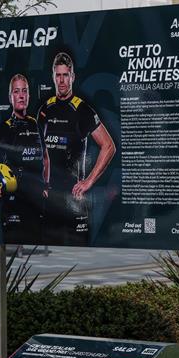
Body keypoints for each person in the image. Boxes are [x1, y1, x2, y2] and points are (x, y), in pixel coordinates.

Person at [39, 52, 115, 246]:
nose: (62, 80)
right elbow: (40, 152)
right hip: (49, 202)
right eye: (58, 75)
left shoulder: (82, 110)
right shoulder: (45, 109)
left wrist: (89, 181)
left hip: (74, 202)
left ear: (72, 76)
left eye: (66, 75)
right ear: (53, 77)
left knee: (76, 256)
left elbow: (108, 146)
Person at [0, 74, 48, 244]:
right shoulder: (4, 128)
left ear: (28, 96)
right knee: (16, 248)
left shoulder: (35, 124)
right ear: (10, 97)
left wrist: (45, 186)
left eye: (24, 91)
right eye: (16, 91)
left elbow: (45, 158)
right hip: (15, 203)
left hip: (36, 202)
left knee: (36, 244)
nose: (21, 95)